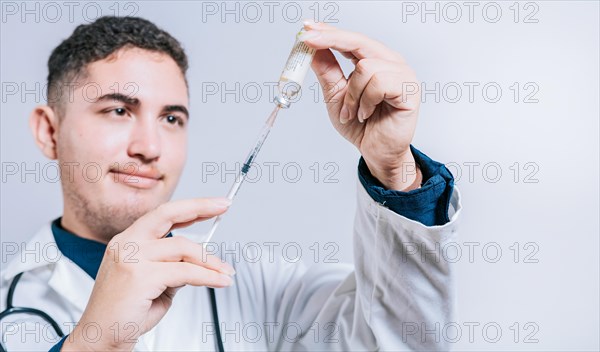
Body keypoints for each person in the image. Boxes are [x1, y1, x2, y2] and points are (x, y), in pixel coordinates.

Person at [0, 16, 461, 351]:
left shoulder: (260, 286)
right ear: (49, 131)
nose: (149, 146)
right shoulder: (12, 303)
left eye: (171, 118)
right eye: (118, 110)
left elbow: (401, 341)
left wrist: (393, 169)